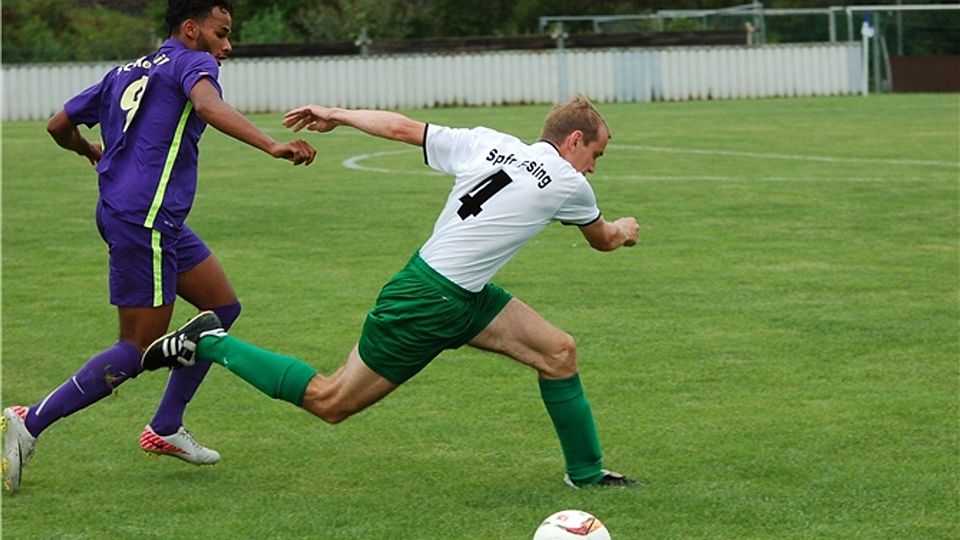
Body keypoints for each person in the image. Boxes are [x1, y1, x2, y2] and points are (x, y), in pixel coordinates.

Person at [145, 96, 641, 488]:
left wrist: (335, 113)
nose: (593, 167)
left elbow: (404, 128)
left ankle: (587, 473)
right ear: (575, 140)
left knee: (558, 352)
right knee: (330, 400)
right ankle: (209, 341)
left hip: (462, 293)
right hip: (428, 301)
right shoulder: (569, 184)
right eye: (595, 155)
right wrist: (623, 226)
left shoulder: (491, 142)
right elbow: (602, 240)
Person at [1, 0, 317, 493]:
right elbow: (209, 106)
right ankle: (29, 420)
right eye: (221, 33)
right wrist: (272, 144)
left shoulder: (124, 71)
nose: (227, 45)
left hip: (141, 214)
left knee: (221, 307)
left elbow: (57, 125)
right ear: (191, 30)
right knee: (138, 346)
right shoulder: (195, 62)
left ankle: (166, 426)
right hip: (142, 220)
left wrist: (89, 151)